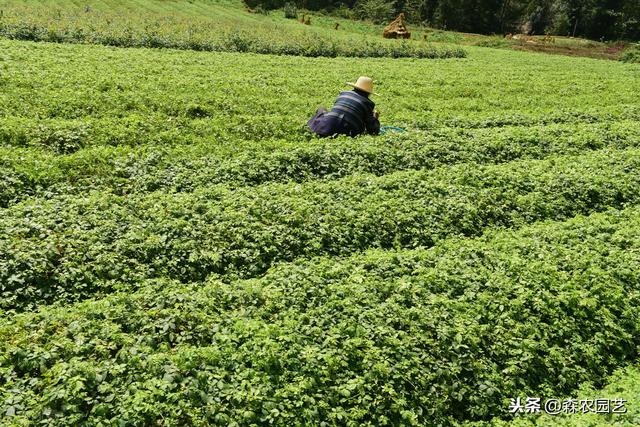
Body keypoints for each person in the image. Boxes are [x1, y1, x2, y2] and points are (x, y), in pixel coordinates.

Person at [308, 76, 380, 137]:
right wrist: (375, 118)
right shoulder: (368, 103)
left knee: (321, 109)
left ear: (355, 87)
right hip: (347, 133)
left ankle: (317, 127)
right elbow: (372, 130)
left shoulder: (343, 94)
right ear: (369, 93)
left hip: (323, 129)